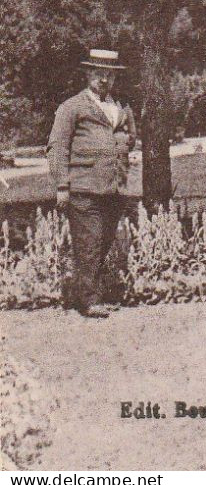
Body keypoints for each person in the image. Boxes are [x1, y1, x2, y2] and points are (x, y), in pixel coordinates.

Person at [47, 48, 139, 319]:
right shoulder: (72, 107)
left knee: (104, 241)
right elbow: (57, 147)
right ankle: (88, 301)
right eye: (99, 74)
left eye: (109, 75)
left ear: (114, 78)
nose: (104, 80)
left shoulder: (120, 107)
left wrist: (118, 149)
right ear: (88, 74)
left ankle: (90, 293)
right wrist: (62, 185)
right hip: (83, 187)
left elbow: (129, 136)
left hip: (114, 186)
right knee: (88, 242)